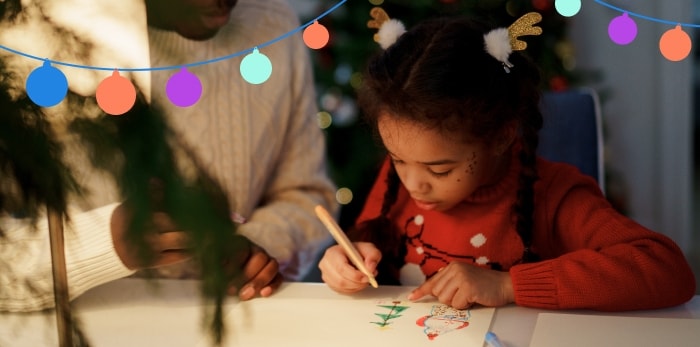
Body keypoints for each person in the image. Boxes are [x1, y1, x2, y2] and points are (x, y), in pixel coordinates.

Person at [318, 12, 696, 311]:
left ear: (500, 136)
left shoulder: (553, 194)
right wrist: (346, 260)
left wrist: (509, 285)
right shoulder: (397, 180)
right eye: (398, 160)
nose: (414, 184)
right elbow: (364, 244)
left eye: (440, 169)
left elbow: (667, 271)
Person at [0, 0, 337, 312]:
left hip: (235, 321)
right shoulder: (29, 38)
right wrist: (104, 242)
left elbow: (305, 194)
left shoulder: (273, 28)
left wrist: (256, 247)